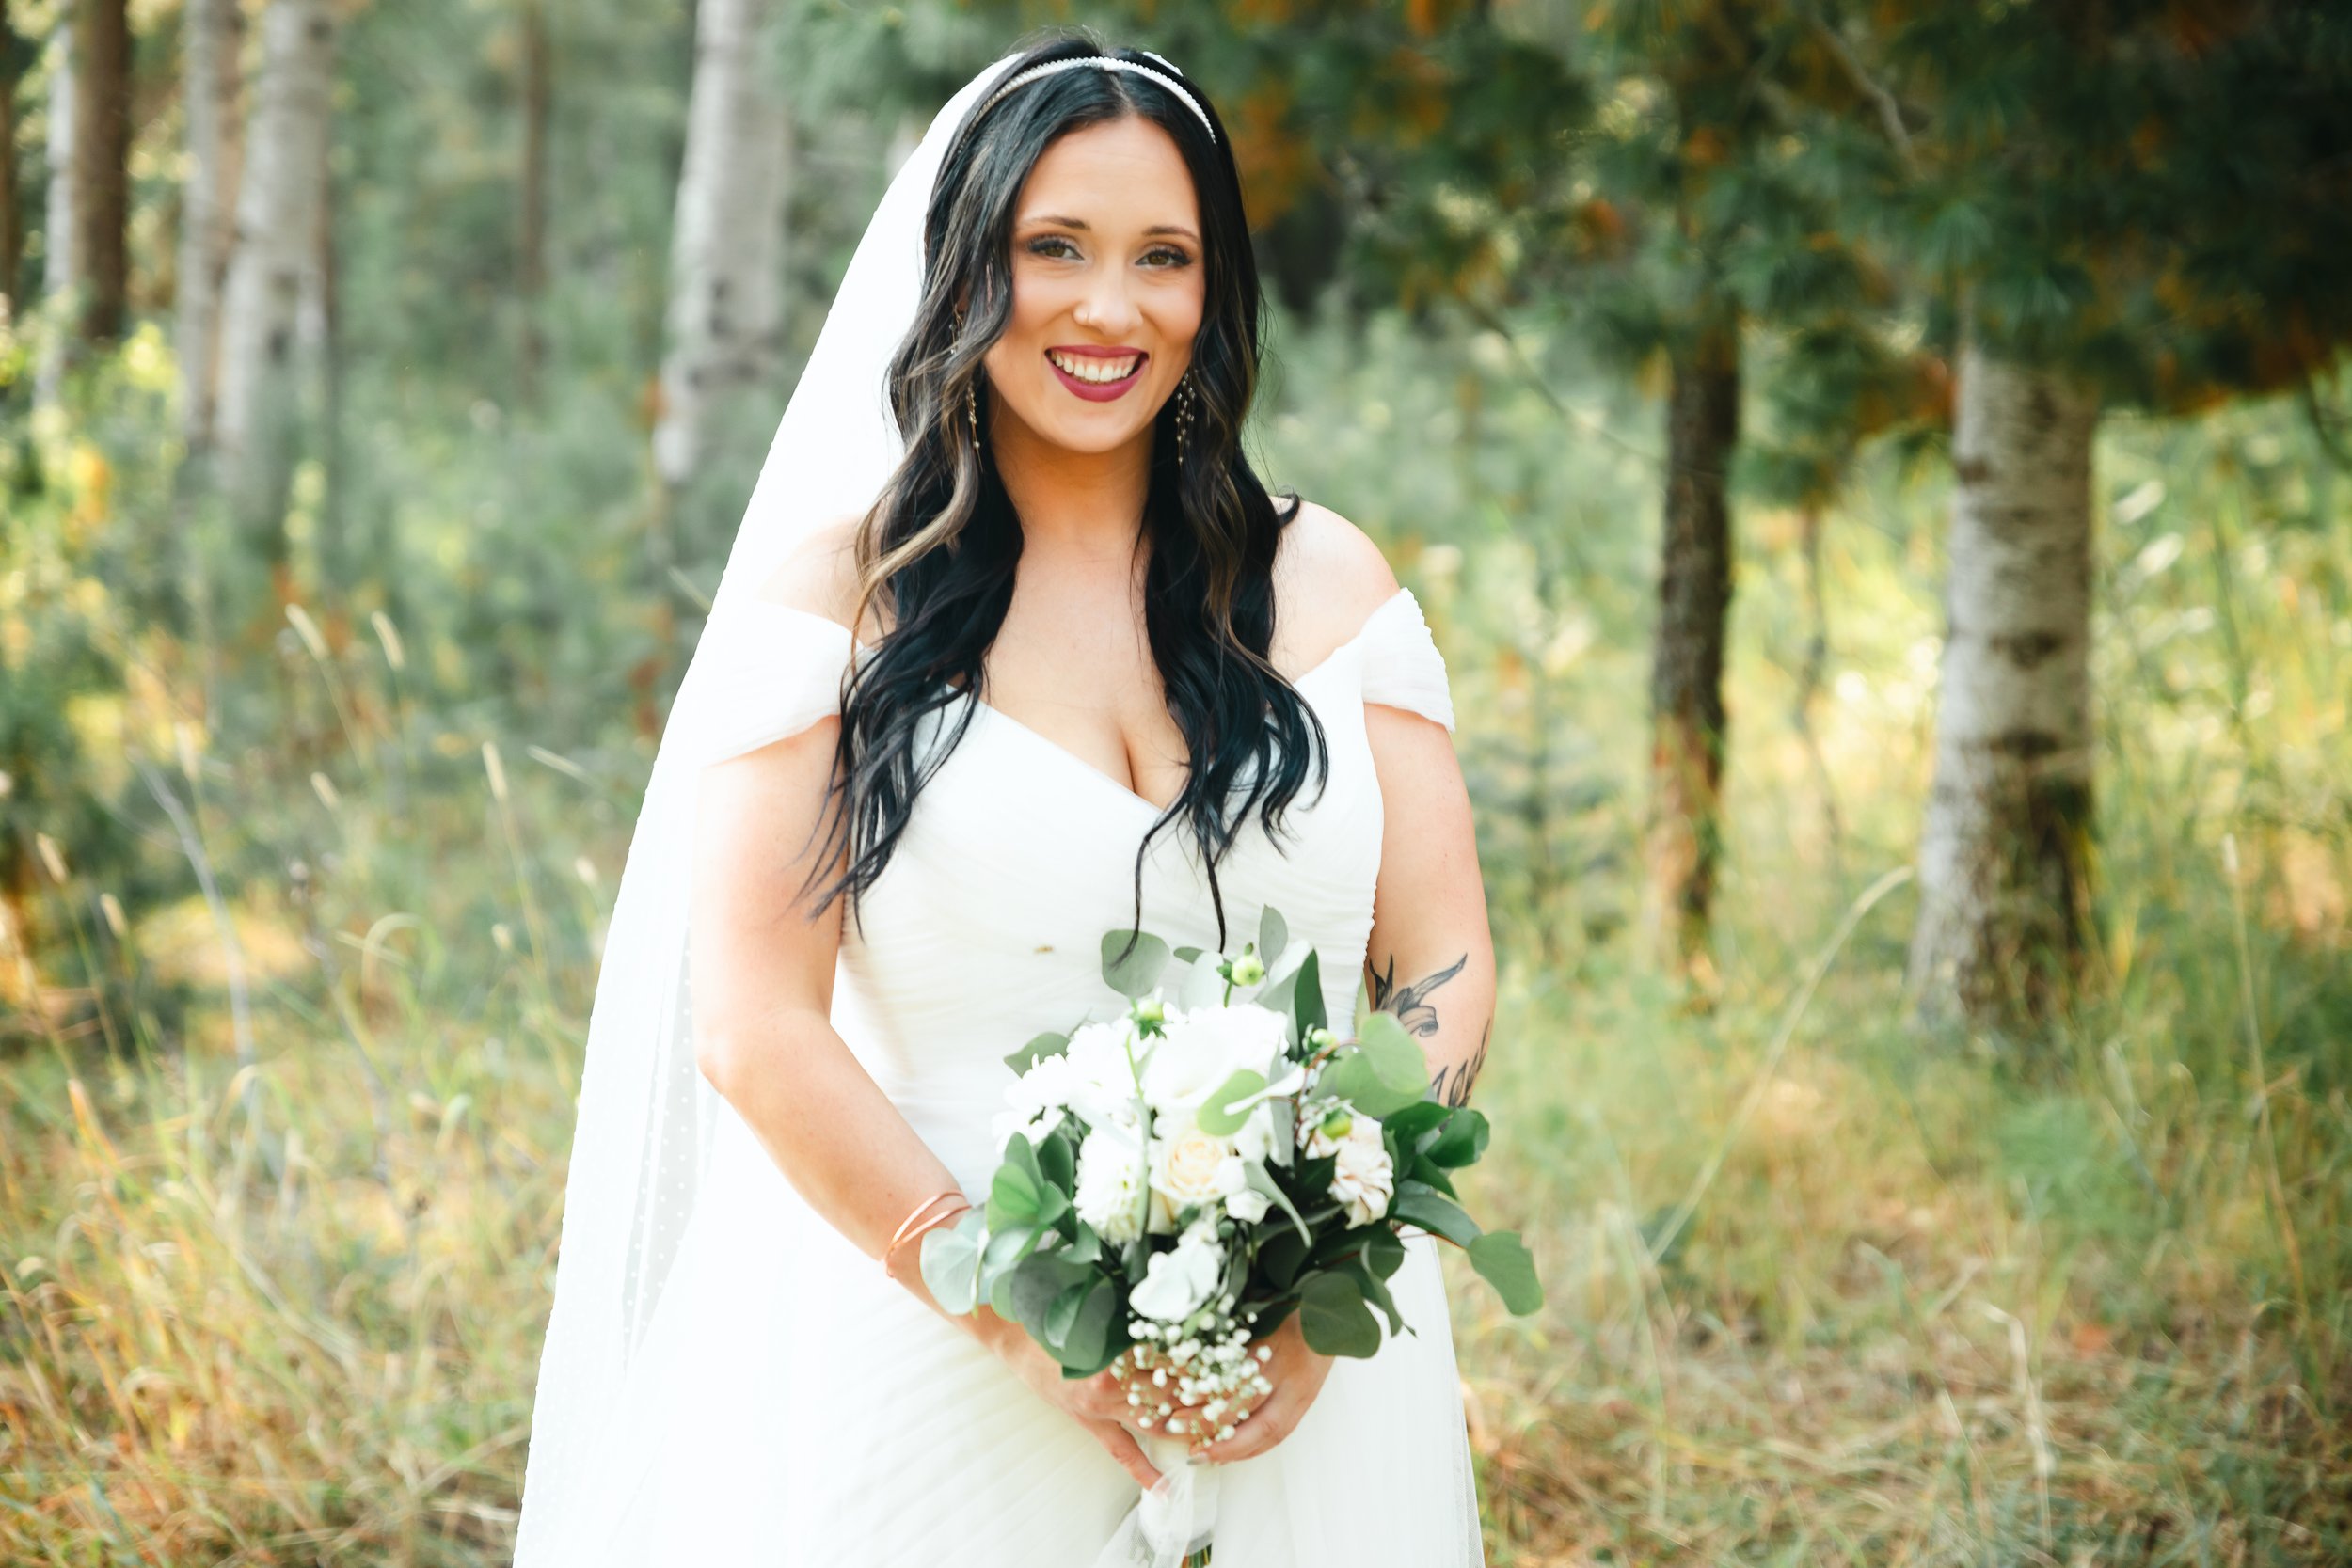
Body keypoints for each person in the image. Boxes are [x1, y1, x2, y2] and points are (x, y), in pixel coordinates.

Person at [512, 31, 1495, 1567]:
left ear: (1213, 293)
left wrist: (1336, 1265)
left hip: (1305, 1377)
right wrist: (1006, 1306)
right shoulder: (844, 604)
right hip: (940, 1344)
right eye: (1056, 249)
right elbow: (755, 1025)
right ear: (968, 269)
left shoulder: (1327, 584)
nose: (1112, 308)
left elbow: (1438, 965)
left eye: (1163, 258)